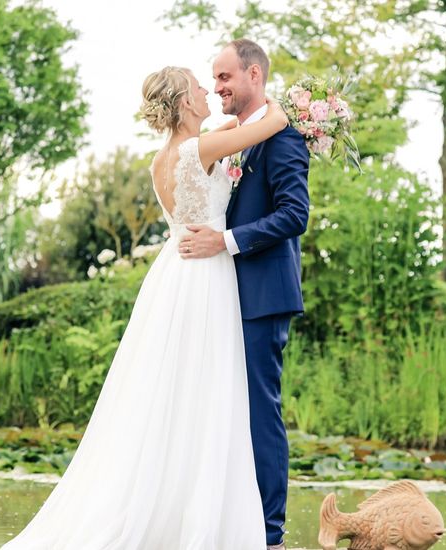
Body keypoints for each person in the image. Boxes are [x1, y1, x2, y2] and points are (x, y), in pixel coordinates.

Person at [0, 64, 288, 550]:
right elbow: (271, 124)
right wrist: (294, 106)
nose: (207, 90)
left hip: (174, 276)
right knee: (211, 390)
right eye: (200, 86)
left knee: (176, 392)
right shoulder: (199, 149)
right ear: (184, 102)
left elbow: (234, 128)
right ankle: (201, 517)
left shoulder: (165, 157)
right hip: (205, 277)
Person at [178, 38, 310, 550]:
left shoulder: (282, 138)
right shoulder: (247, 135)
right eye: (213, 79)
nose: (218, 87)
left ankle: (270, 532)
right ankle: (238, 522)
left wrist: (225, 240)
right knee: (230, 410)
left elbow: (295, 215)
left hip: (264, 294)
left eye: (225, 77)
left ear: (254, 75)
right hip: (232, 294)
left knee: (260, 409)